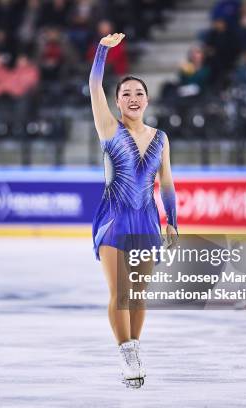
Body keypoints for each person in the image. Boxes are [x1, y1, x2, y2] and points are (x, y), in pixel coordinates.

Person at [89, 32, 178, 389]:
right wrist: (101, 51)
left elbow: (167, 183)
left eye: (139, 92)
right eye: (126, 93)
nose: (133, 98)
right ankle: (125, 352)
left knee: (138, 293)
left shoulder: (161, 138)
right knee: (119, 290)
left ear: (147, 98)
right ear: (116, 101)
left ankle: (135, 347)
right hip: (113, 217)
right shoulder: (108, 127)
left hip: (145, 220)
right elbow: (94, 85)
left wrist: (172, 221)